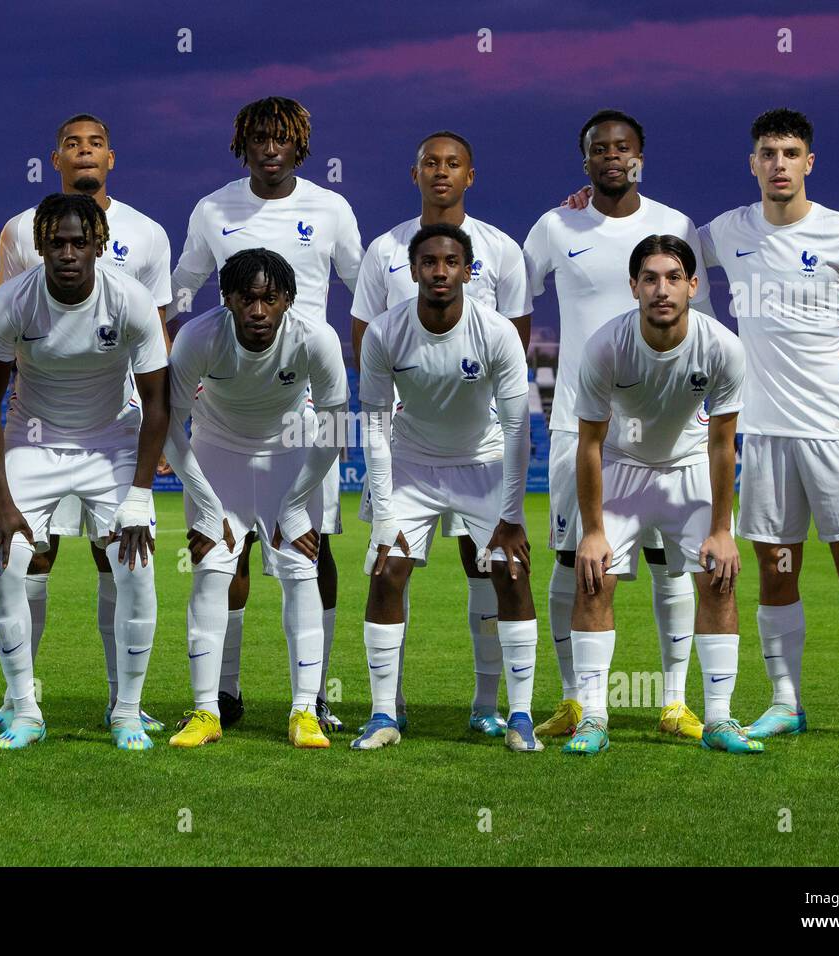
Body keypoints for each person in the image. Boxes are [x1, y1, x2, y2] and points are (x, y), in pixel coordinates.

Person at [699, 109, 839, 744]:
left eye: (790, 153)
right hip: (762, 436)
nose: (778, 164)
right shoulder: (727, 231)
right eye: (767, 153)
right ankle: (787, 703)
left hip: (838, 432)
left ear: (809, 162)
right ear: (752, 163)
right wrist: (595, 203)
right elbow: (658, 244)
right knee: (776, 570)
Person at [170, 96, 362, 733]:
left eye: (281, 138)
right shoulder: (212, 210)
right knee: (225, 554)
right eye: (258, 137)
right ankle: (220, 694)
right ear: (242, 144)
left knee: (310, 546)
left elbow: (363, 295)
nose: (269, 147)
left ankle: (316, 696)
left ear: (300, 145)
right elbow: (180, 291)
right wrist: (188, 368)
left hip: (301, 404)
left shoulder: (330, 208)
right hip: (227, 402)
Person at [524, 109, 710, 741]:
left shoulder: (675, 226)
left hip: (662, 426)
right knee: (571, 559)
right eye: (599, 148)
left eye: (623, 147)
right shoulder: (555, 225)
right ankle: (579, 702)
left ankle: (674, 702)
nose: (611, 156)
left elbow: (699, 319)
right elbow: (513, 303)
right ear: (585, 161)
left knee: (671, 566)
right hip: (582, 424)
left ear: (640, 156)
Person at [0, 112, 172, 737]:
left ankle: (125, 713)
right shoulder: (11, 301)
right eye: (56, 243)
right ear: (40, 246)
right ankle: (24, 708)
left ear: (98, 244)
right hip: (33, 436)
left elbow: (158, 401)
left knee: (134, 563)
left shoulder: (132, 300)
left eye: (78, 242)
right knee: (9, 559)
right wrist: (1, 500)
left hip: (111, 438)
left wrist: (141, 495)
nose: (67, 252)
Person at [350, 130, 532, 738]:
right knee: (386, 568)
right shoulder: (383, 257)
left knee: (499, 570)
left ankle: (502, 710)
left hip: (478, 454)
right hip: (409, 455)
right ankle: (384, 710)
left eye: (454, 163)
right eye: (431, 163)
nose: (442, 172)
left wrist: (510, 511)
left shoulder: (502, 261)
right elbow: (370, 386)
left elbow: (515, 396)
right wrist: (379, 513)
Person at [565, 234, 758, 756]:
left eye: (673, 277)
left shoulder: (722, 347)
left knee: (719, 578)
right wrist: (593, 532)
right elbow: (590, 445)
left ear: (693, 285)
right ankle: (594, 717)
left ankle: (719, 718)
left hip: (690, 465)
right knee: (593, 577)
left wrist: (722, 529)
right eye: (649, 278)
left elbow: (722, 444)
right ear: (633, 287)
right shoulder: (606, 346)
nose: (661, 289)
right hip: (623, 467)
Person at [162, 248, 346, 748]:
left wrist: (294, 504)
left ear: (287, 299)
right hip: (218, 455)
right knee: (209, 572)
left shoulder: (316, 339)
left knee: (301, 572)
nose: (259, 311)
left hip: (290, 452)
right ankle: (206, 712)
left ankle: (304, 711)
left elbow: (334, 428)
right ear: (228, 299)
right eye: (247, 299)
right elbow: (168, 427)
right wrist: (205, 505)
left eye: (270, 299)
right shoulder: (199, 337)